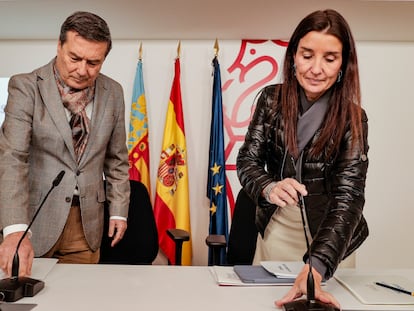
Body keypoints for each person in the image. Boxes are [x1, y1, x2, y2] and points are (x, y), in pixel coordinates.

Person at [236, 9, 369, 309]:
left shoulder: (354, 118)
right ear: (293, 56)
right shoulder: (270, 100)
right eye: (307, 55)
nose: (316, 68)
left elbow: (349, 198)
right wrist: (269, 187)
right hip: (279, 232)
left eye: (330, 58)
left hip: (333, 242)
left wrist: (318, 265)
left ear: (343, 64)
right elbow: (247, 161)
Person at [0, 11, 130, 277]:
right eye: (75, 58)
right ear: (59, 46)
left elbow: (117, 159)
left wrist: (119, 212)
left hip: (87, 223)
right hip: (33, 220)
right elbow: (12, 158)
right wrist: (14, 229)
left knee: (80, 300)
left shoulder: (113, 92)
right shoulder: (25, 87)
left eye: (94, 62)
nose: (82, 70)